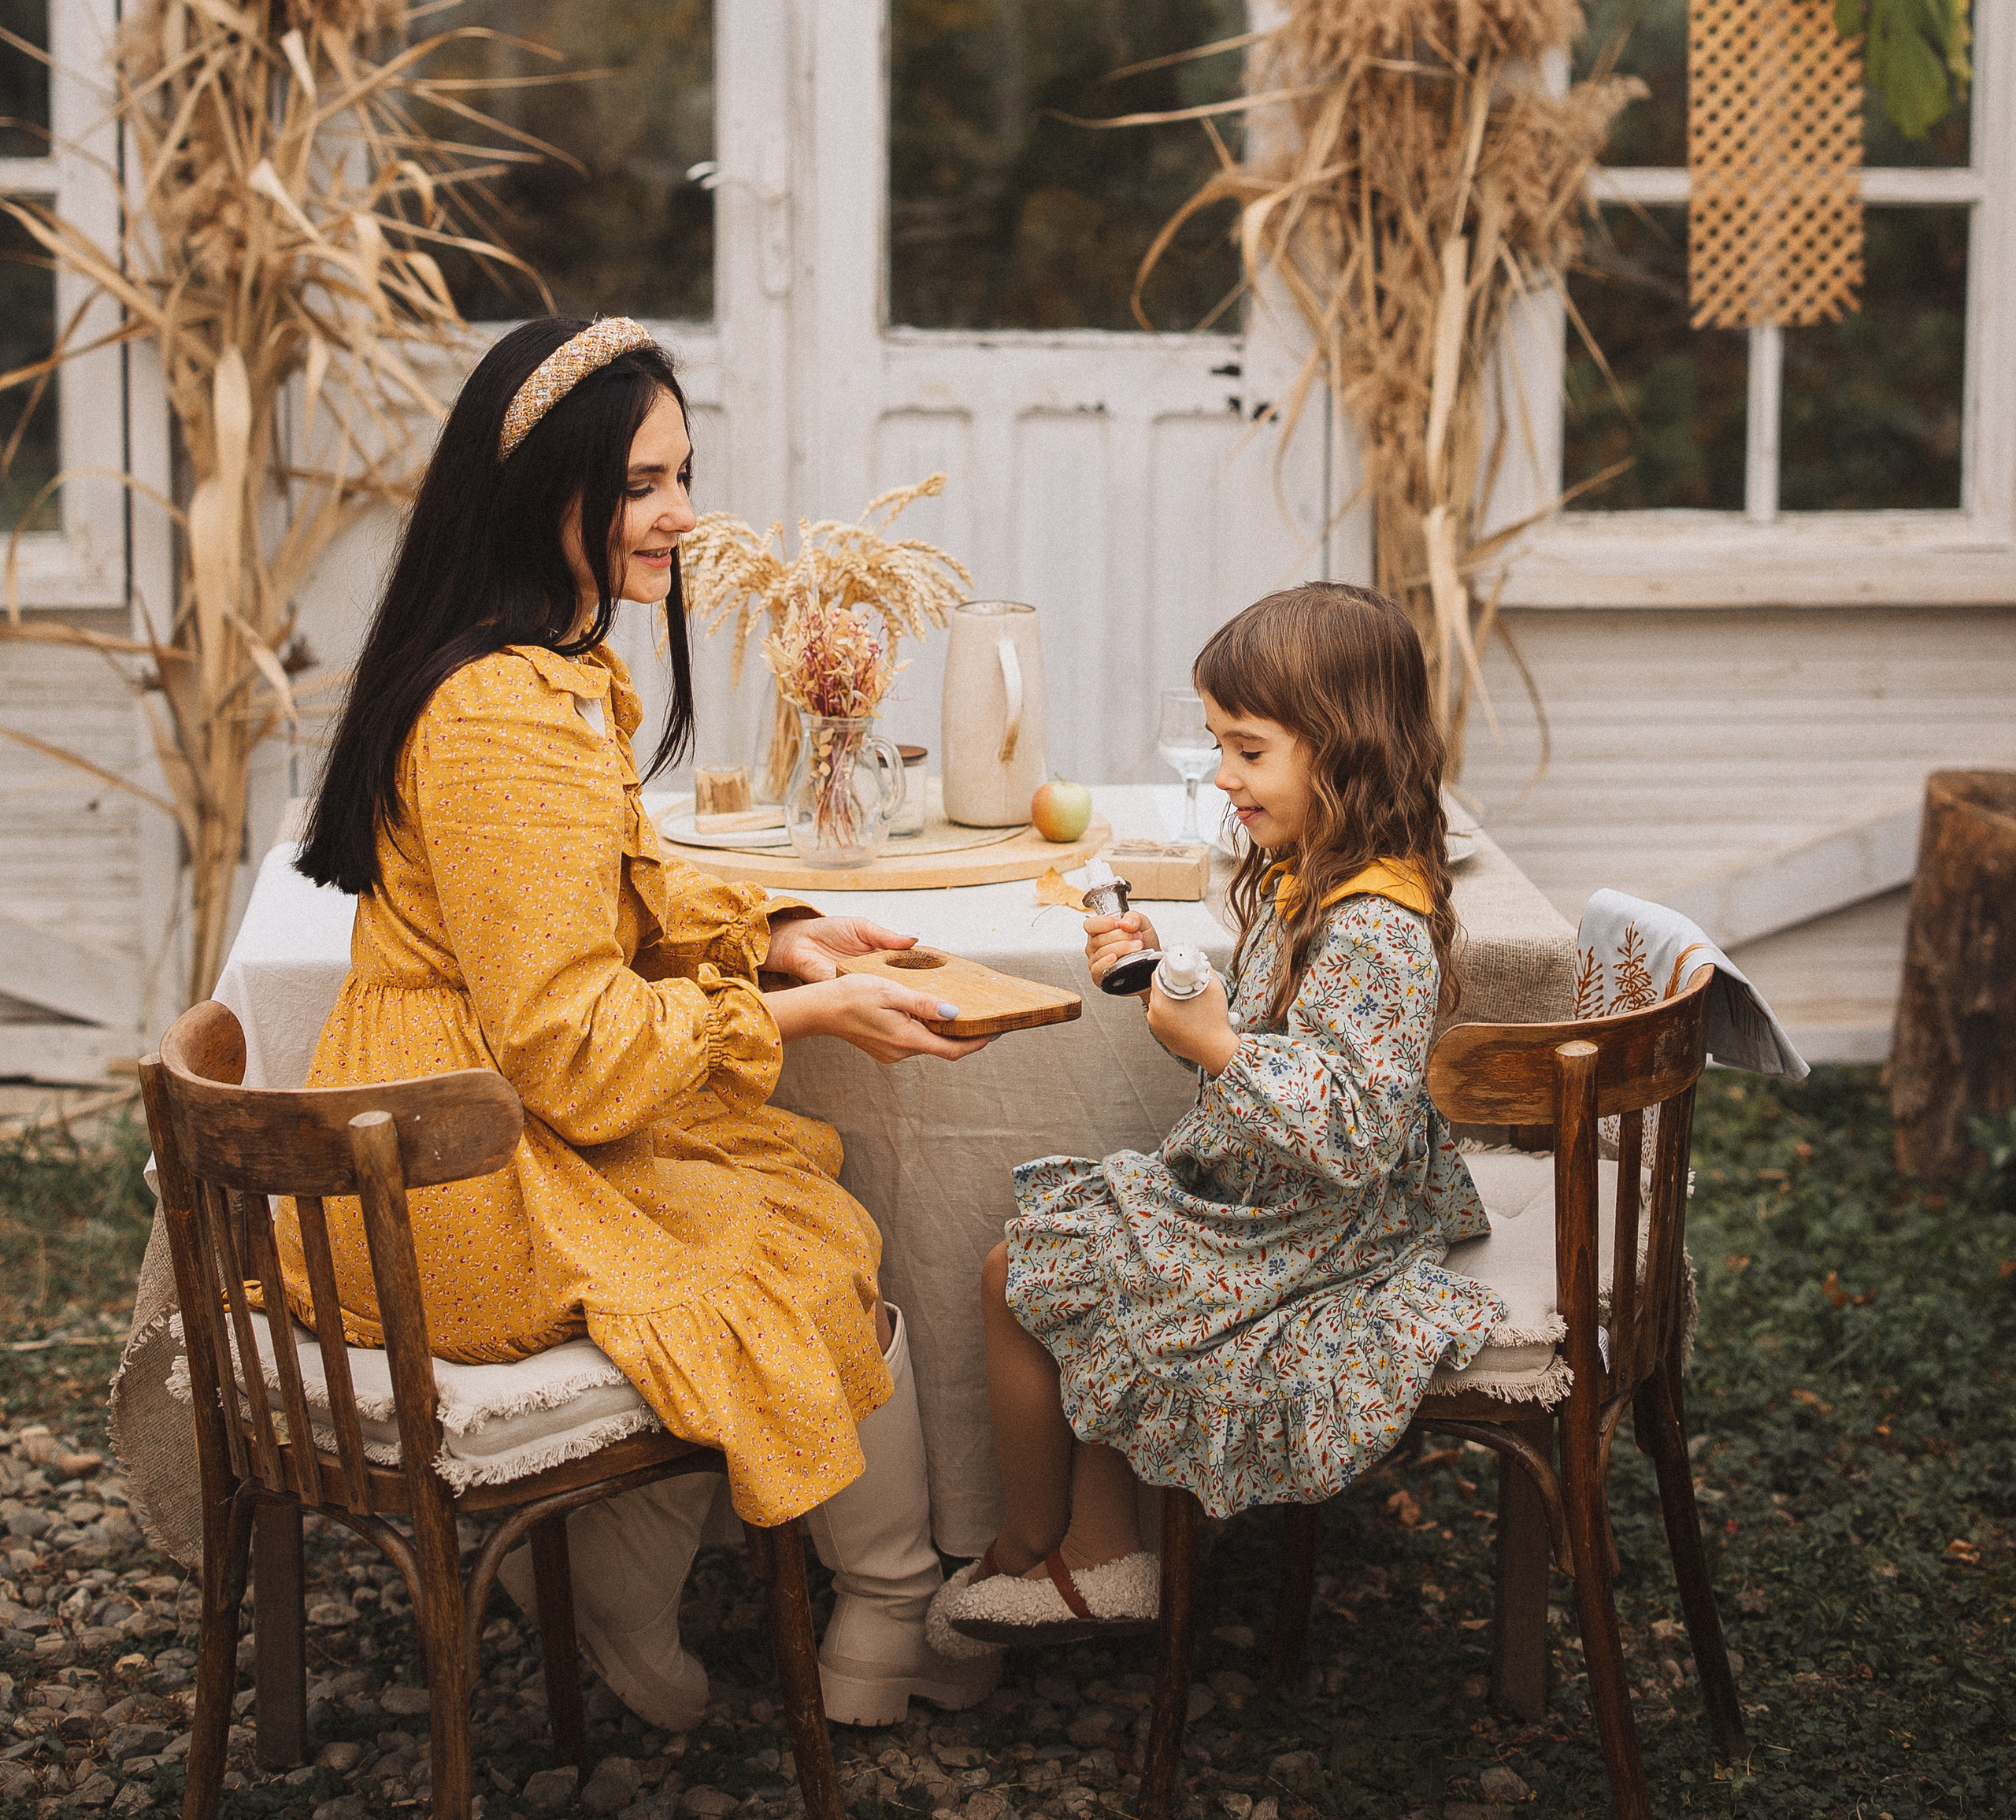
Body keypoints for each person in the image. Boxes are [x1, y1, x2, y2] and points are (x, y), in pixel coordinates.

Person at [280, 313, 999, 1728]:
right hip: (448, 1165)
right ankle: (811, 1608)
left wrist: (772, 940)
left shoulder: (530, 669)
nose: (682, 514)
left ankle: (838, 1608)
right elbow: (566, 1046)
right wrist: (803, 1017)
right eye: (639, 486)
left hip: (449, 1111)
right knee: (789, 1246)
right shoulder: (505, 714)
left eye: (683, 476)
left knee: (799, 1205)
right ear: (537, 493)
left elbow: (603, 886)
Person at [926, 580, 1505, 1648]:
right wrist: (1168, 979)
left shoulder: (1374, 924)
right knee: (1064, 1259)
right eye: (1218, 746)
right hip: (1287, 1200)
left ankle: (1047, 1544)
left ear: (1344, 750)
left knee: (1030, 1272)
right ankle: (1088, 1546)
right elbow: (1288, 1034)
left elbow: (1356, 1124)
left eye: (1249, 750)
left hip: (1324, 1229)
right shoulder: (1316, 876)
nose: (1224, 775)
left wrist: (1219, 1048)